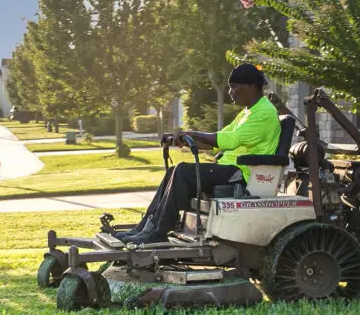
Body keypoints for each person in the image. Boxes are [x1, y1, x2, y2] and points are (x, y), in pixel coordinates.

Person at [118, 63, 281, 244]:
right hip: (230, 169)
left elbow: (230, 140)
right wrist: (180, 140)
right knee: (174, 171)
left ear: (250, 86)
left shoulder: (264, 112)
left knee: (182, 171)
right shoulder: (248, 112)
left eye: (234, 86)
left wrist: (190, 133)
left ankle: (156, 232)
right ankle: (144, 228)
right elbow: (217, 142)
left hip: (242, 173)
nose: (230, 92)